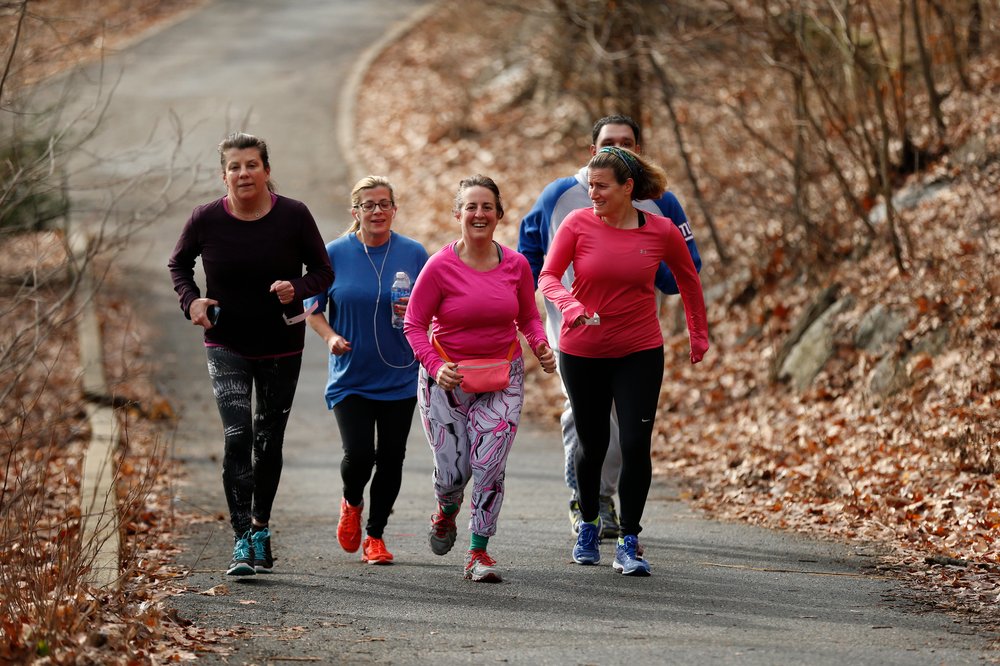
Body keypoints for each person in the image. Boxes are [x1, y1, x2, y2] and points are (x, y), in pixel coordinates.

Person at [518, 114, 701, 538]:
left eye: (628, 142)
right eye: (609, 142)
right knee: (585, 418)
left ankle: (604, 498)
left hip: (633, 331)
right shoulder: (560, 194)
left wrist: (646, 269)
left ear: (638, 150)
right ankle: (588, 500)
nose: (619, 148)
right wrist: (529, 310)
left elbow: (683, 269)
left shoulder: (660, 201)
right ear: (592, 150)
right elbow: (528, 251)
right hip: (570, 329)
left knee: (625, 424)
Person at [168, 131, 333, 576]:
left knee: (268, 440)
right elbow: (178, 265)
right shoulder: (205, 219)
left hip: (281, 343)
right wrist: (192, 301)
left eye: (251, 165)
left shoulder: (294, 216)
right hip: (227, 342)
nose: (244, 173)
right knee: (237, 435)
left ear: (266, 170)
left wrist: (296, 289)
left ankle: (261, 526)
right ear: (224, 175)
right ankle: (242, 538)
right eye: (235, 167)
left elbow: (323, 271)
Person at [403, 175, 556, 583]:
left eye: (487, 206)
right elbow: (414, 325)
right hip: (447, 381)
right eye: (471, 207)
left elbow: (527, 316)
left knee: (489, 465)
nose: (479, 214)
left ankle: (477, 552)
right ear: (458, 215)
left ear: (499, 215)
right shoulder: (439, 267)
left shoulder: (516, 265)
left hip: (502, 376)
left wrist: (540, 345)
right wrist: (437, 367)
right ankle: (446, 509)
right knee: (452, 473)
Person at [304, 176, 428, 565]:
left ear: (394, 209)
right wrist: (329, 338)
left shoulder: (413, 253)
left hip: (401, 374)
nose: (377, 211)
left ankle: (375, 536)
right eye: (368, 205)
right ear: (355, 212)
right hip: (351, 374)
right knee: (359, 455)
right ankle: (352, 501)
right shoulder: (334, 253)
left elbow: (432, 305)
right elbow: (312, 308)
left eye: (384, 204)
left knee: (392, 457)